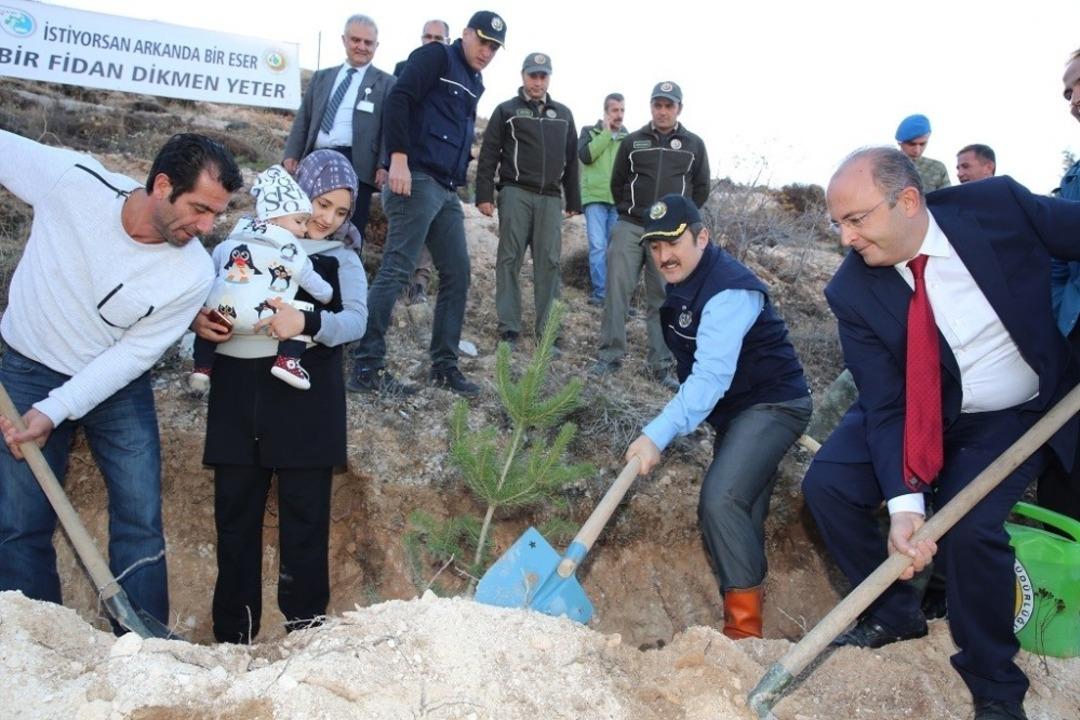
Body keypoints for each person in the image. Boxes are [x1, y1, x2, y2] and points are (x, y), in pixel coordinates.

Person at [803, 147, 1080, 720]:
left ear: (907, 201)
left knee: (971, 524)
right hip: (918, 402)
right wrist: (904, 506)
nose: (845, 238)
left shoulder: (997, 207)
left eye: (856, 220)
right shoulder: (850, 291)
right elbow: (885, 406)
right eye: (838, 224)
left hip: (1012, 411)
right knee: (827, 484)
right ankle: (896, 612)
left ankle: (995, 688)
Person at [0, 130, 241, 625]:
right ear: (161, 184)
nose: (207, 226)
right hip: (26, 367)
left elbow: (132, 357)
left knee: (139, 517)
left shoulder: (192, 273)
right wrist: (43, 404)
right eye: (199, 208)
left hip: (116, 385)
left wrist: (55, 409)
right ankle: (39, 637)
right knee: (21, 519)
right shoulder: (73, 182)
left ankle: (143, 647)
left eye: (216, 214)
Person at [194, 149, 368, 643]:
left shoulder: (342, 257)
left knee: (306, 526)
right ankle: (232, 639)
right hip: (236, 397)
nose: (327, 219)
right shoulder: (239, 242)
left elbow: (356, 319)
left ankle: (305, 636)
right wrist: (199, 329)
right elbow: (202, 297)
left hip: (306, 406)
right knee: (234, 520)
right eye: (321, 203)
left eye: (340, 211)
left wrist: (307, 322)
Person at [625, 195, 811, 640]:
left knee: (721, 501)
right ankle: (752, 612)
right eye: (655, 247)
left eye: (673, 243)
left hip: (772, 404)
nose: (664, 256)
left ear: (702, 237)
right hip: (738, 411)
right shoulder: (688, 280)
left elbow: (710, 377)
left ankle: (744, 634)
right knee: (742, 511)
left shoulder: (728, 289)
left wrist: (657, 433)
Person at [347, 11, 506, 398]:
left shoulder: (474, 80)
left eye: (494, 47)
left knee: (457, 273)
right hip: (415, 178)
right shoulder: (436, 57)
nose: (487, 51)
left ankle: (444, 366)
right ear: (465, 34)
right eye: (482, 41)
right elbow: (399, 99)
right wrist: (397, 157)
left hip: (446, 189)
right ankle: (366, 365)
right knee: (397, 269)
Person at [591, 81, 710, 389]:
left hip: (669, 234)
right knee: (617, 291)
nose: (663, 111)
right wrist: (628, 210)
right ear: (651, 107)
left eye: (669, 105)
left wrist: (680, 218)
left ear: (679, 109)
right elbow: (618, 182)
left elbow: (701, 187)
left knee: (663, 297)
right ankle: (609, 356)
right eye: (658, 105)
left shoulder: (693, 144)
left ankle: (661, 364)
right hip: (630, 226)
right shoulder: (633, 141)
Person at [190, 165, 332, 392]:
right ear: (274, 218)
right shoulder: (290, 249)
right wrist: (329, 294)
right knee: (301, 310)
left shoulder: (231, 240)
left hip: (222, 315)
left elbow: (210, 271)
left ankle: (201, 369)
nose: (304, 229)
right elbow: (316, 287)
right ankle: (287, 360)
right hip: (260, 316)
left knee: (211, 308)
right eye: (299, 221)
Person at [476, 52, 580, 346]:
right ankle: (509, 326)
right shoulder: (506, 110)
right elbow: (489, 154)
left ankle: (548, 332)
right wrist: (485, 194)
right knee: (509, 258)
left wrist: (573, 199)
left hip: (549, 198)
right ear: (523, 76)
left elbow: (572, 159)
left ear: (549, 78)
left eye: (543, 76)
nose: (537, 81)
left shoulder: (563, 114)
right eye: (533, 75)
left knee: (549, 262)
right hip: (515, 193)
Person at [283, 14, 394, 236]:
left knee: (350, 228)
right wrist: (292, 153)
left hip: (358, 162)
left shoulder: (387, 83)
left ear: (376, 46)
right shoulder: (322, 77)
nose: (361, 46)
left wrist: (384, 164)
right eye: (355, 40)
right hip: (316, 157)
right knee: (306, 217)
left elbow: (389, 128)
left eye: (368, 42)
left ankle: (345, 268)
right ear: (344, 40)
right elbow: (304, 118)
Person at [1044, 47, 1080, 521]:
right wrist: (1059, 312)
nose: (1072, 98)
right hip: (1072, 335)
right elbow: (1058, 257)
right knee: (1063, 462)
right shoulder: (1075, 174)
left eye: (1078, 85)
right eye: (1068, 92)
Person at [392, 19, 451, 305]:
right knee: (403, 226)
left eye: (438, 38)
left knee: (427, 226)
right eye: (427, 36)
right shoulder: (405, 69)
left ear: (448, 42)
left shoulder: (455, 75)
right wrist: (389, 161)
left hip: (435, 168)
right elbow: (391, 117)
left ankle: (419, 283)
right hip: (404, 163)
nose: (432, 41)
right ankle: (397, 284)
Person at [578, 93, 628, 307]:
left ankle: (615, 296)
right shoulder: (589, 131)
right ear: (606, 112)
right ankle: (601, 294)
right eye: (615, 110)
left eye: (622, 110)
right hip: (595, 198)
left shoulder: (629, 139)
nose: (619, 115)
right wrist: (606, 134)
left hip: (618, 201)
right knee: (598, 246)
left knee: (615, 250)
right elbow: (586, 156)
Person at [895, 113, 951, 191]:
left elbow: (946, 199)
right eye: (912, 144)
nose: (917, 150)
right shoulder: (882, 166)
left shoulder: (937, 168)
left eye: (922, 144)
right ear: (900, 142)